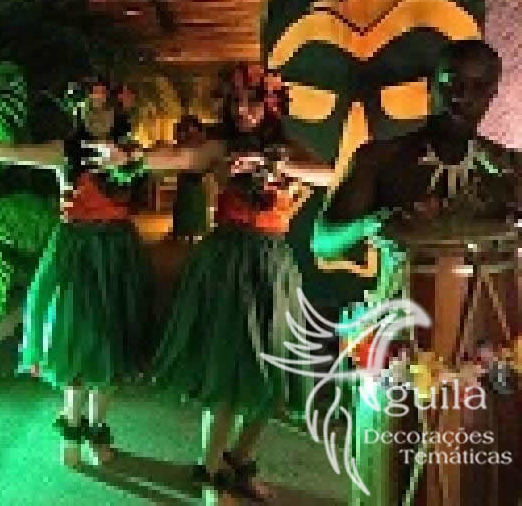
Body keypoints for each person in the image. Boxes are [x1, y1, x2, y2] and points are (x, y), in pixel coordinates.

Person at [111, 64, 332, 504]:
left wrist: (274, 162)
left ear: (272, 105)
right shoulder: (221, 147)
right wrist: (133, 159)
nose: (243, 111)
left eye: (253, 102)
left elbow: (330, 175)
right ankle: (210, 474)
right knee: (227, 373)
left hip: (273, 266)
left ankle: (238, 462)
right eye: (236, 103)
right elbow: (181, 159)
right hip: (228, 265)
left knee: (272, 374)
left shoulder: (290, 150)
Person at [0, 79, 152, 467]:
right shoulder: (64, 151)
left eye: (105, 108)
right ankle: (71, 424)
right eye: (90, 108)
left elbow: (179, 159)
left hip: (117, 255)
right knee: (76, 337)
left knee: (111, 340)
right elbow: (19, 154)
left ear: (118, 112)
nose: (97, 115)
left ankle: (97, 428)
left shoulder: (132, 153)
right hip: (75, 253)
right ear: (78, 111)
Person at [318, 41, 515, 296]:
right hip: (400, 312)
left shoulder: (508, 169)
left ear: (492, 94)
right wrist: (373, 223)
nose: (461, 96)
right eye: (452, 82)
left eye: (477, 86)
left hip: (488, 316)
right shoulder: (379, 158)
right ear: (431, 85)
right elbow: (323, 243)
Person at [171, 114, 210, 242]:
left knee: (195, 201)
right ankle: (183, 231)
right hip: (187, 172)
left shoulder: (199, 137)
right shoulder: (183, 136)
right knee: (185, 201)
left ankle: (194, 231)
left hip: (196, 173)